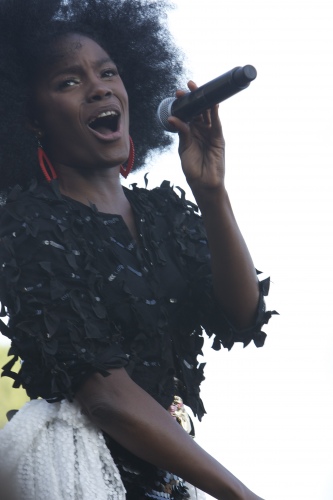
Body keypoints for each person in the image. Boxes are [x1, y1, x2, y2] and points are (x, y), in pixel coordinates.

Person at [0, 0, 276, 499]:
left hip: (168, 476)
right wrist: (241, 495)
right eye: (69, 82)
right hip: (78, 473)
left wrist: (211, 192)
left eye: (108, 72)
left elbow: (242, 315)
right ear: (31, 120)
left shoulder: (162, 214)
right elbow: (103, 394)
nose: (100, 87)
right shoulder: (27, 223)